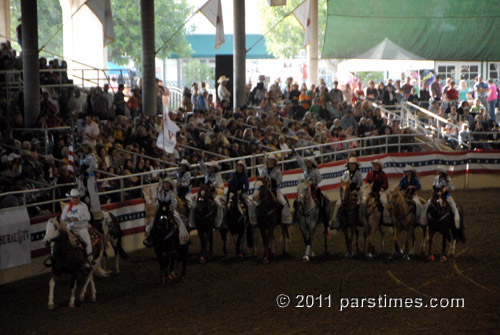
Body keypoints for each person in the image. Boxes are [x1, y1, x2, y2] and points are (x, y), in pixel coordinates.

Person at [143, 178, 189, 247]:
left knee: (179, 221)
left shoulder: (172, 193)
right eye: (165, 184)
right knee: (153, 222)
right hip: (161, 210)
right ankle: (149, 238)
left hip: (170, 211)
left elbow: (174, 203)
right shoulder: (160, 193)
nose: (166, 185)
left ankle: (183, 238)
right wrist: (159, 207)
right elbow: (157, 203)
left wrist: (171, 207)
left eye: (167, 184)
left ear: (170, 185)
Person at [293, 148, 329, 225]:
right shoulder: (305, 169)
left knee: (322, 200)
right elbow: (300, 162)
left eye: (308, 162)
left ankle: (323, 216)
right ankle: (296, 216)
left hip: (314, 188)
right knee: (297, 200)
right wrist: (296, 154)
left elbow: (320, 179)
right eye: (307, 162)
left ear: (312, 163)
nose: (307, 163)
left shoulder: (315, 171)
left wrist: (313, 182)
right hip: (306, 188)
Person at [61, 189, 93, 267]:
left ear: (79, 197)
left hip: (81, 228)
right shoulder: (68, 206)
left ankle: (89, 257)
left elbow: (88, 217)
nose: (74, 199)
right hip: (70, 228)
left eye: (76, 198)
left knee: (87, 240)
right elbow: (62, 216)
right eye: (73, 198)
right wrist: (65, 219)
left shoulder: (83, 206)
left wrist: (78, 219)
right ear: (71, 198)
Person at [258, 154, 292, 224]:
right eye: (268, 160)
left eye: (271, 160)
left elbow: (280, 181)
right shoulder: (264, 170)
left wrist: (273, 182)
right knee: (257, 202)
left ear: (274, 161)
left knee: (284, 203)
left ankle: (286, 219)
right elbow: (261, 179)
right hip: (265, 189)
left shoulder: (277, 170)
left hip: (275, 189)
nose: (270, 161)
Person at [331, 157, 363, 227]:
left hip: (356, 192)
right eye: (350, 164)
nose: (352, 165)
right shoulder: (346, 172)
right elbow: (342, 182)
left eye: (353, 164)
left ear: (355, 165)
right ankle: (334, 221)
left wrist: (355, 191)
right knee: (337, 204)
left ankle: (361, 219)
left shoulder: (358, 173)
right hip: (346, 192)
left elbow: (360, 183)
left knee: (360, 203)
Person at [198, 158, 225, 228]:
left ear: (215, 168)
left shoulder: (218, 175)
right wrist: (200, 160)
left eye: (212, 167)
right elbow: (202, 167)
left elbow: (219, 187)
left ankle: (218, 221)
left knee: (219, 204)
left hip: (217, 194)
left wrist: (213, 190)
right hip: (208, 193)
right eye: (210, 166)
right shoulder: (207, 173)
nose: (210, 168)